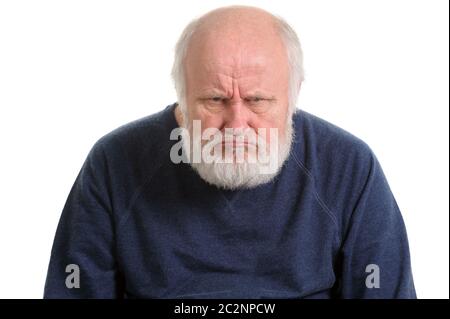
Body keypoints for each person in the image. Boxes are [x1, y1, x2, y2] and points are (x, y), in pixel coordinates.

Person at [44, 5, 416, 298]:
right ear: (182, 94)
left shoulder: (349, 166)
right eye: (214, 100)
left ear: (294, 92)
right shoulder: (114, 163)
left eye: (257, 100)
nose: (236, 125)